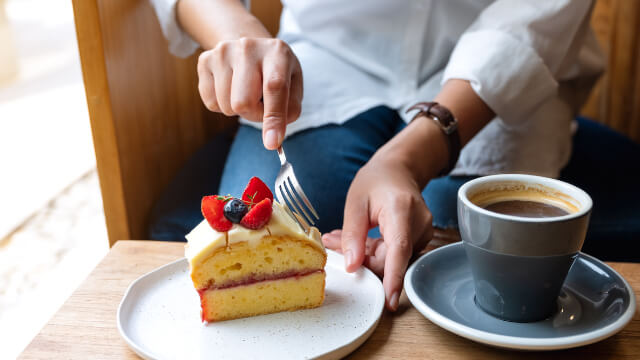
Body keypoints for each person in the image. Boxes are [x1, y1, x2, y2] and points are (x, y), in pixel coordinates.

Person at [148, 0, 608, 311]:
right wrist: (237, 33)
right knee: (276, 240)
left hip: (498, 88)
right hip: (323, 63)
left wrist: (407, 160)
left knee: (446, 274)